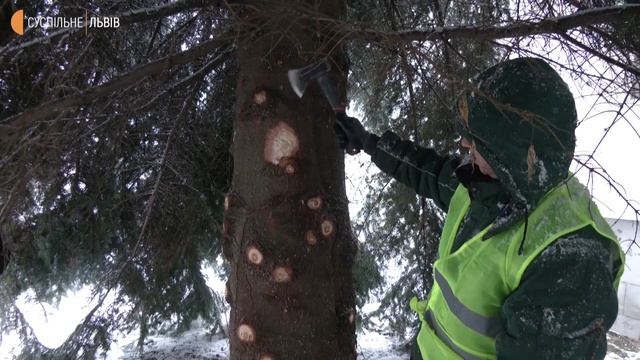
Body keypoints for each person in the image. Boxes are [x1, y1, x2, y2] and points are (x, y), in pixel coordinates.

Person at [334, 58, 625, 360]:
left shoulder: (569, 258)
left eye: (476, 139)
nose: (462, 143)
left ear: (510, 150)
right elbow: (430, 173)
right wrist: (369, 142)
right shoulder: (485, 183)